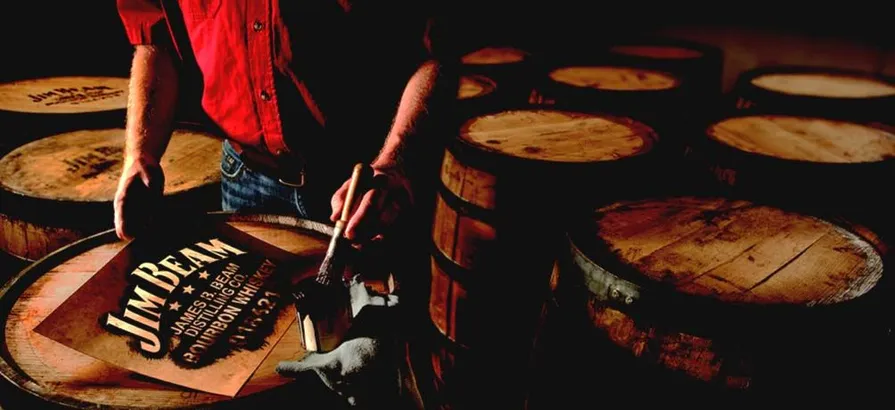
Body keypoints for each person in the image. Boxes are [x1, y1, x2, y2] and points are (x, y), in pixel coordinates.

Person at [113, 0, 458, 244]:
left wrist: (395, 162)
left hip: (362, 186)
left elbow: (439, 53)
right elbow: (154, 42)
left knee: (368, 340)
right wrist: (140, 154)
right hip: (243, 181)